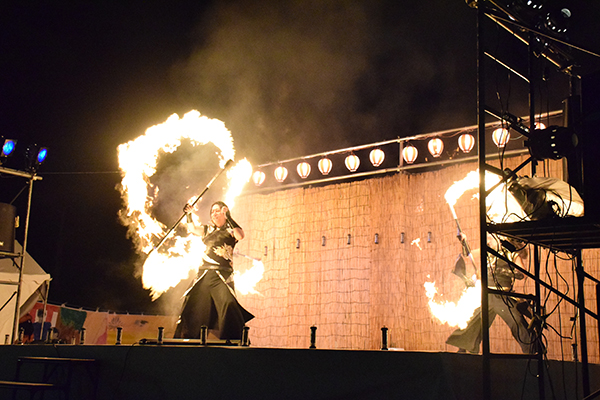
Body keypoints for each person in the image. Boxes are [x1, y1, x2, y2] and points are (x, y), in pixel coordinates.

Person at [174, 200, 254, 341]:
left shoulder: (231, 231)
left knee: (228, 304)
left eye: (218, 210)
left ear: (225, 212)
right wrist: (188, 214)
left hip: (221, 276)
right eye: (212, 211)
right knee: (193, 305)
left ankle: (232, 339)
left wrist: (229, 217)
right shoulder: (207, 230)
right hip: (204, 275)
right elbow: (192, 229)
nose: (215, 213)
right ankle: (190, 339)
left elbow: (240, 235)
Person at [445, 233, 535, 354]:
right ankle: (463, 352)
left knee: (516, 322)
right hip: (486, 296)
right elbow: (469, 255)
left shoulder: (511, 253)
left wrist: (501, 270)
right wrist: (464, 242)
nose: (487, 240)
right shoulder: (487, 251)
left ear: (501, 239)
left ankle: (531, 352)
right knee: (473, 322)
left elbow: (522, 274)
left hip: (502, 296)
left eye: (490, 237)